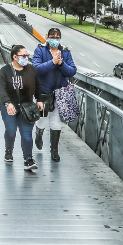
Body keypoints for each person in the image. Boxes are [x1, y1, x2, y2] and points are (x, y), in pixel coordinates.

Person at [32, 28, 77, 162]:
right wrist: (52, 62)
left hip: (61, 92)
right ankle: (39, 134)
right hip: (44, 92)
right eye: (52, 36)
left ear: (60, 38)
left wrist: (61, 63)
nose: (54, 39)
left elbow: (72, 71)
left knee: (56, 122)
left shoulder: (66, 52)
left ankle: (54, 150)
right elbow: (36, 68)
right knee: (43, 120)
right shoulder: (40, 50)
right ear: (47, 37)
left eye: (57, 37)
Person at [0, 44, 44, 172]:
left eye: (27, 55)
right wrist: (8, 103)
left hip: (27, 107)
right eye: (23, 56)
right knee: (11, 131)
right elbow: (1, 90)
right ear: (15, 57)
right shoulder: (5, 71)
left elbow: (38, 86)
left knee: (27, 134)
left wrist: (39, 99)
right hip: (9, 107)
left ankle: (28, 159)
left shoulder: (31, 70)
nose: (26, 58)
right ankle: (8, 150)